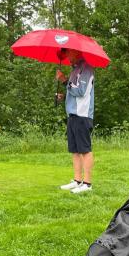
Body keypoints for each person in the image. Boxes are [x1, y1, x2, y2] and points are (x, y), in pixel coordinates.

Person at [55, 48, 95, 194]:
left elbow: (81, 91)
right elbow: (73, 93)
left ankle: (88, 184)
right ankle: (77, 181)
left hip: (82, 115)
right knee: (75, 150)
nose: (66, 57)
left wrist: (64, 80)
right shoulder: (75, 70)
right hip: (72, 115)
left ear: (77, 52)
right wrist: (63, 96)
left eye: (68, 53)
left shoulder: (86, 69)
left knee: (85, 149)